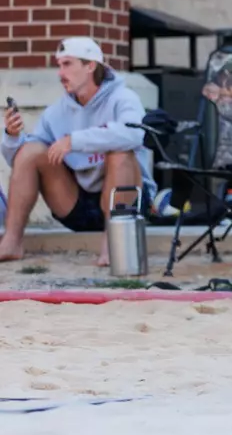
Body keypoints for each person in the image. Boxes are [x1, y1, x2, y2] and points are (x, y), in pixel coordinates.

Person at [2, 38, 153, 267]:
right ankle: (11, 243)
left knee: (120, 153)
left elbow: (134, 135)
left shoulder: (123, 98)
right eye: (59, 65)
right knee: (32, 150)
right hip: (78, 206)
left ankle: (114, 246)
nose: (60, 73)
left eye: (67, 64)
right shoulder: (57, 112)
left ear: (90, 66)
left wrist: (75, 141)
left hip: (127, 204)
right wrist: (12, 137)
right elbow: (21, 162)